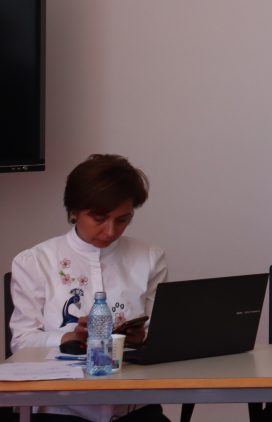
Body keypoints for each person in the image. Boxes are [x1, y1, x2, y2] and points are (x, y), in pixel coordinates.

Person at [9, 154, 170, 422]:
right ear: (74, 211)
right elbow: (22, 342)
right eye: (99, 218)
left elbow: (164, 333)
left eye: (122, 220)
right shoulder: (35, 261)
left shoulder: (149, 258)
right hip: (61, 410)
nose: (110, 231)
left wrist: (141, 338)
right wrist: (68, 337)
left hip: (134, 408)